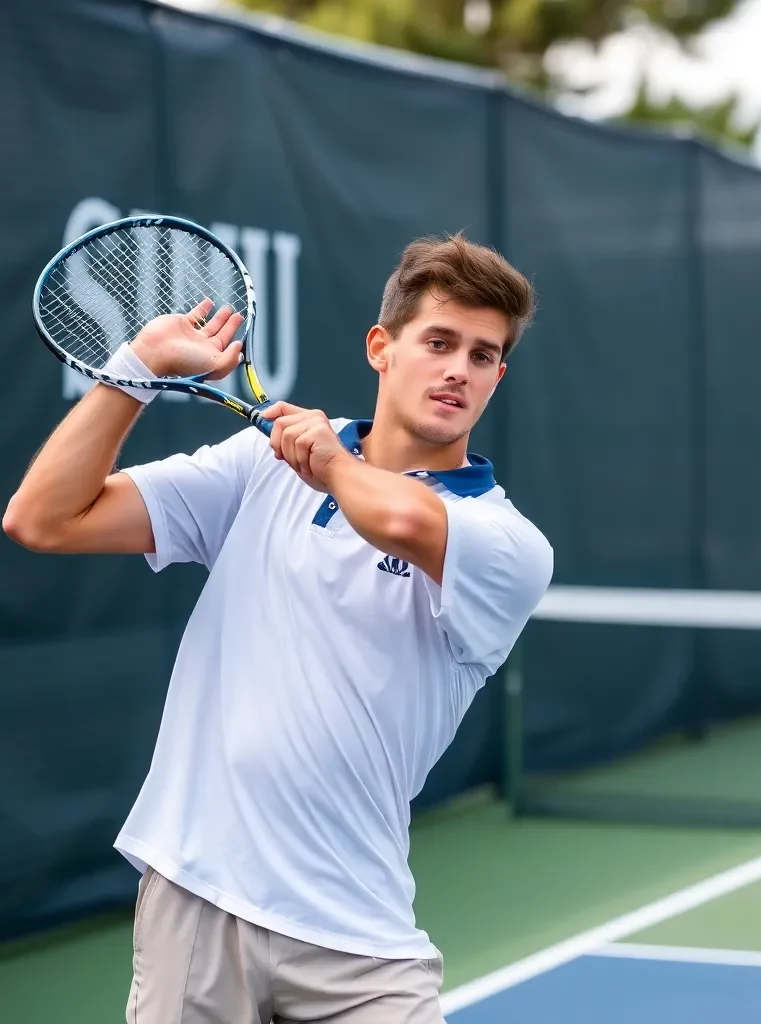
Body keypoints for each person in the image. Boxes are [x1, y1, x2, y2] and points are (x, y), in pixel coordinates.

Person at [3, 233, 554, 1024]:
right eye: (438, 342)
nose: (458, 370)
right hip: (198, 897)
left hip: (362, 942)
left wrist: (330, 463)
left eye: (481, 355)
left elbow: (400, 516)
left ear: (498, 376)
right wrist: (141, 367)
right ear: (382, 347)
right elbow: (42, 518)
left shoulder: (508, 545)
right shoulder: (257, 466)